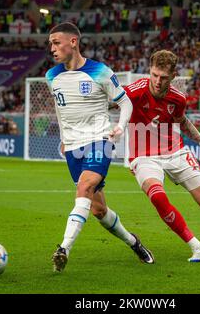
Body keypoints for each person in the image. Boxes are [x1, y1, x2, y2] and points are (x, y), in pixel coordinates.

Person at [46, 22, 154, 273]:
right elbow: (60, 111)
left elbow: (125, 103)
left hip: (99, 141)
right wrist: (63, 137)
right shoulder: (52, 76)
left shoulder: (101, 72)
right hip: (73, 147)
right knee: (98, 209)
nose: (52, 48)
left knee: (84, 187)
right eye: (50, 43)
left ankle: (63, 249)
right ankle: (133, 241)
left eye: (56, 42)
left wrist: (120, 126)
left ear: (73, 42)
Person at [124, 50, 200, 262]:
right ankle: (197, 246)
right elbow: (108, 102)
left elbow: (181, 121)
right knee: (157, 196)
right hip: (143, 155)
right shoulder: (133, 91)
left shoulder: (178, 98)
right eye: (154, 75)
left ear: (173, 76)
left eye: (163, 77)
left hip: (175, 151)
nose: (157, 81)